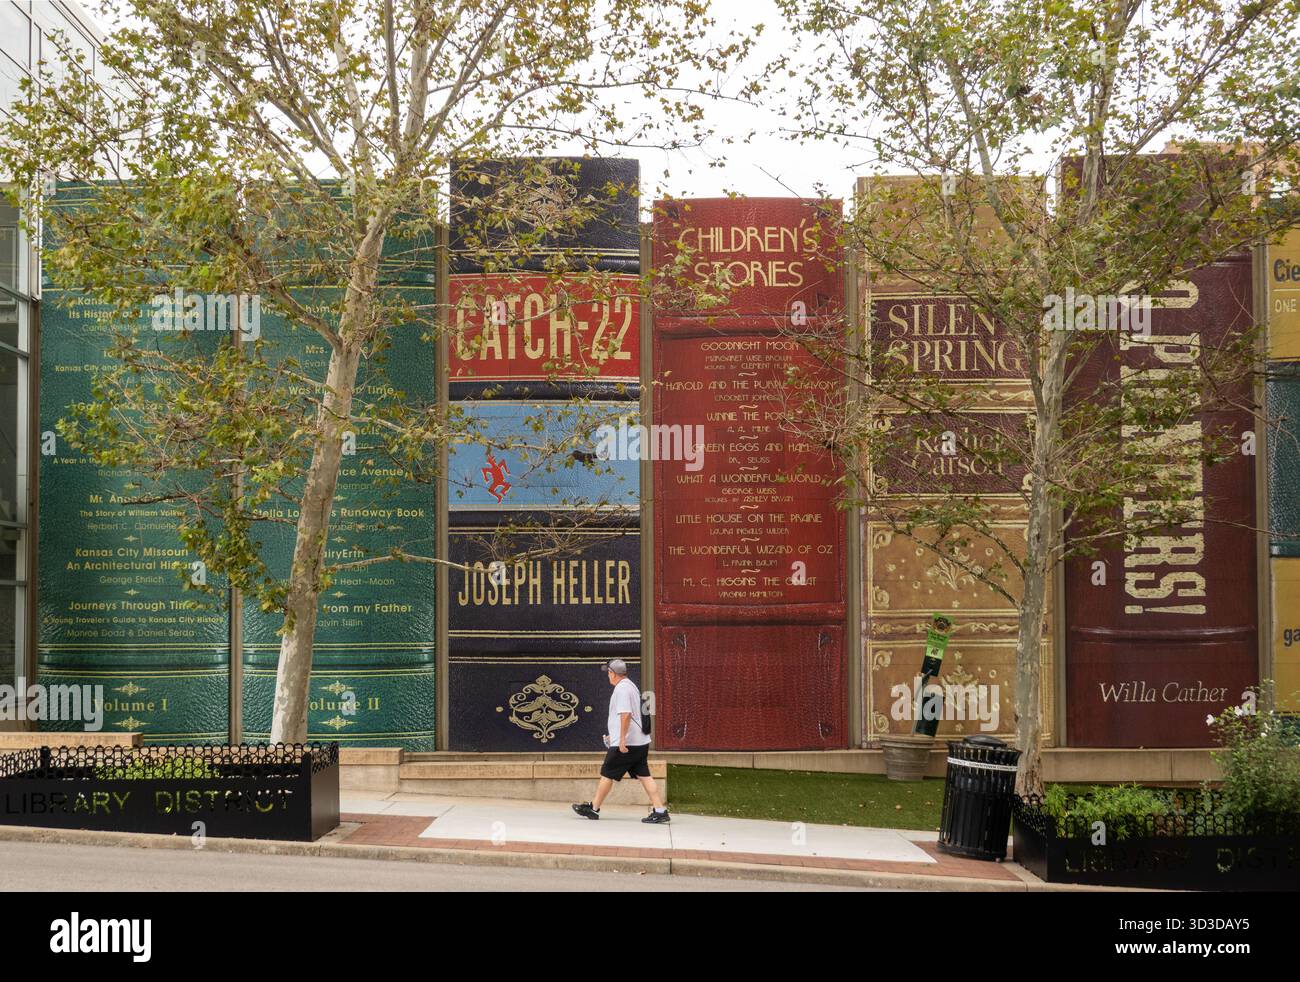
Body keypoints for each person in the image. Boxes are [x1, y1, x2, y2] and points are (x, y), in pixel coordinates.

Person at [571, 659, 668, 823]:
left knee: (607, 772)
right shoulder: (630, 685)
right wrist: (614, 735)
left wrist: (621, 740)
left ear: (612, 673)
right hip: (639, 742)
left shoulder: (621, 689)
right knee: (644, 775)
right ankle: (660, 810)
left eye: (608, 672)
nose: (608, 675)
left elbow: (626, 715)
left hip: (627, 744)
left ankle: (593, 808)